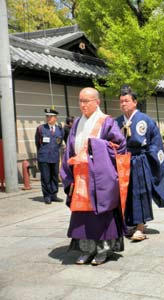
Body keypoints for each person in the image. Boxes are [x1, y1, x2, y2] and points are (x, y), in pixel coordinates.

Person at [60, 87, 127, 265]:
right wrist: (68, 172)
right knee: (82, 217)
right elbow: (69, 149)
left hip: (99, 178)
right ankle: (86, 250)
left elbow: (120, 146)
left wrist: (96, 148)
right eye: (80, 101)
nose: (82, 105)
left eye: (86, 101)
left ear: (97, 102)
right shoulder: (76, 124)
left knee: (101, 215)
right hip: (80, 177)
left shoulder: (106, 122)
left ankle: (103, 250)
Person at [115, 85, 164, 241]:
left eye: (126, 101)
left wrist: (150, 159)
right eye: (121, 101)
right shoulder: (116, 122)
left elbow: (155, 143)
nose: (123, 104)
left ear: (135, 102)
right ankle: (129, 223)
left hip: (139, 160)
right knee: (124, 194)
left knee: (140, 192)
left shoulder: (145, 120)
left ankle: (140, 227)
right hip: (122, 162)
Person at [35, 108, 64, 204]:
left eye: (50, 116)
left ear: (55, 118)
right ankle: (47, 196)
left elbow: (59, 143)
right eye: (47, 116)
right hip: (44, 157)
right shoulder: (41, 128)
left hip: (55, 156)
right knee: (46, 177)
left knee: (54, 176)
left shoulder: (60, 129)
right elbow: (38, 143)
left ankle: (54, 194)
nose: (48, 118)